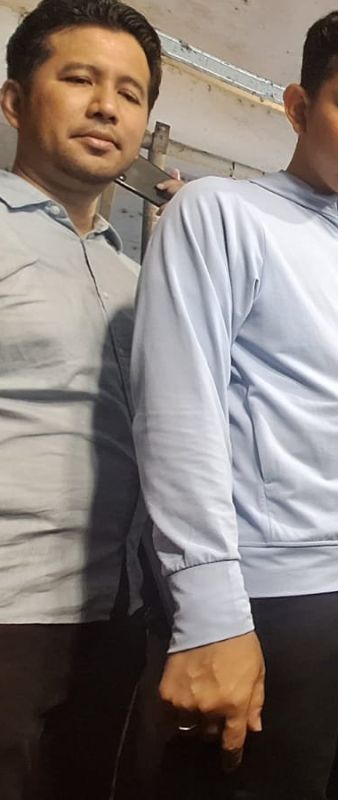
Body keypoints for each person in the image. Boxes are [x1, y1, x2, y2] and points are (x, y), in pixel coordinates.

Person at [129, 10, 338, 799]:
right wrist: (209, 611)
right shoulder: (222, 213)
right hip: (285, 594)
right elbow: (177, 409)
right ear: (300, 108)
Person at [0, 2, 163, 797]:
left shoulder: (140, 283)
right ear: (13, 100)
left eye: (130, 93)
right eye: (79, 79)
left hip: (118, 614)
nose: (108, 105)